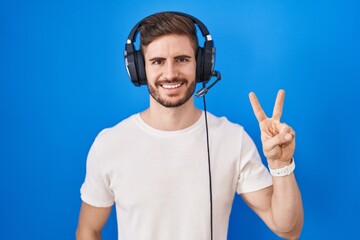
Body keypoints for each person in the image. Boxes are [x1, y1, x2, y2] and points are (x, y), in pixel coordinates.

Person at [76, 12, 303, 240]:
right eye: (157, 62)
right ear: (139, 69)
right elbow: (88, 230)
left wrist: (280, 165)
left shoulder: (233, 139)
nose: (171, 73)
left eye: (182, 59)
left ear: (201, 64)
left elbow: (288, 229)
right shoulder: (109, 144)